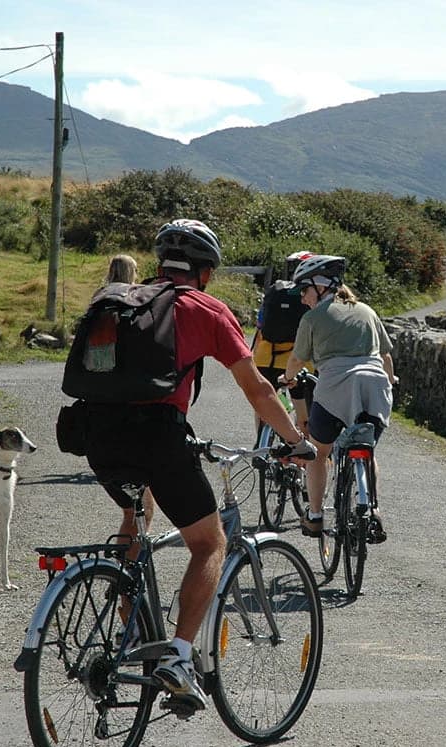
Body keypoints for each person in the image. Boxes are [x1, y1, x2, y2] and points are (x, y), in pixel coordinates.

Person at [82, 219, 316, 711]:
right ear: (206, 272)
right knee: (210, 542)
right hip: (157, 435)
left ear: (160, 264)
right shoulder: (206, 308)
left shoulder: (122, 301)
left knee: (135, 516)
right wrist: (296, 440)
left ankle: (126, 632)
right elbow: (257, 388)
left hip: (96, 435)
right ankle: (179, 656)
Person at [281, 254, 397, 542]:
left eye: (304, 290)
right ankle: (373, 509)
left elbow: (297, 359)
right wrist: (391, 382)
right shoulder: (367, 311)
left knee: (319, 452)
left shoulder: (313, 318)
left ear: (320, 287)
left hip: (334, 389)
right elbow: (385, 357)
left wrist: (287, 378)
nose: (302, 298)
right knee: (366, 450)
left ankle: (316, 515)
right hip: (374, 388)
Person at [250, 251, 313, 439]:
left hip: (265, 358)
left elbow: (261, 324)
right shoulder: (309, 297)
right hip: (299, 362)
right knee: (307, 411)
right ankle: (306, 450)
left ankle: (261, 440)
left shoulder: (274, 290)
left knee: (264, 402)